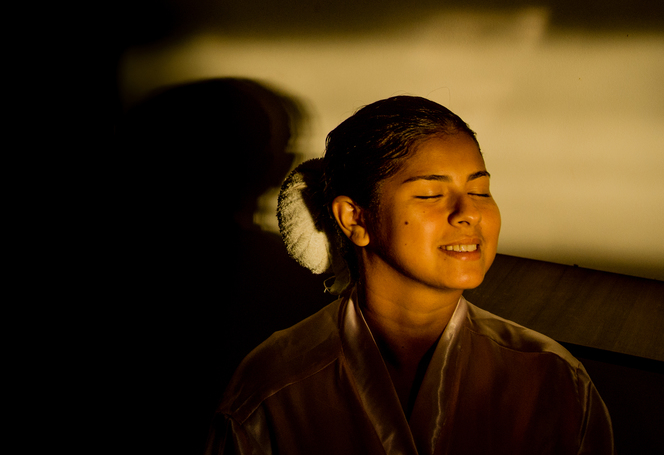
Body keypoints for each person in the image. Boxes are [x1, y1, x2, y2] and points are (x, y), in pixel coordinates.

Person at [205, 96, 614, 455]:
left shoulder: (554, 380)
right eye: (431, 194)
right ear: (355, 218)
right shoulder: (273, 389)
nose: (469, 213)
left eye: (480, 191)